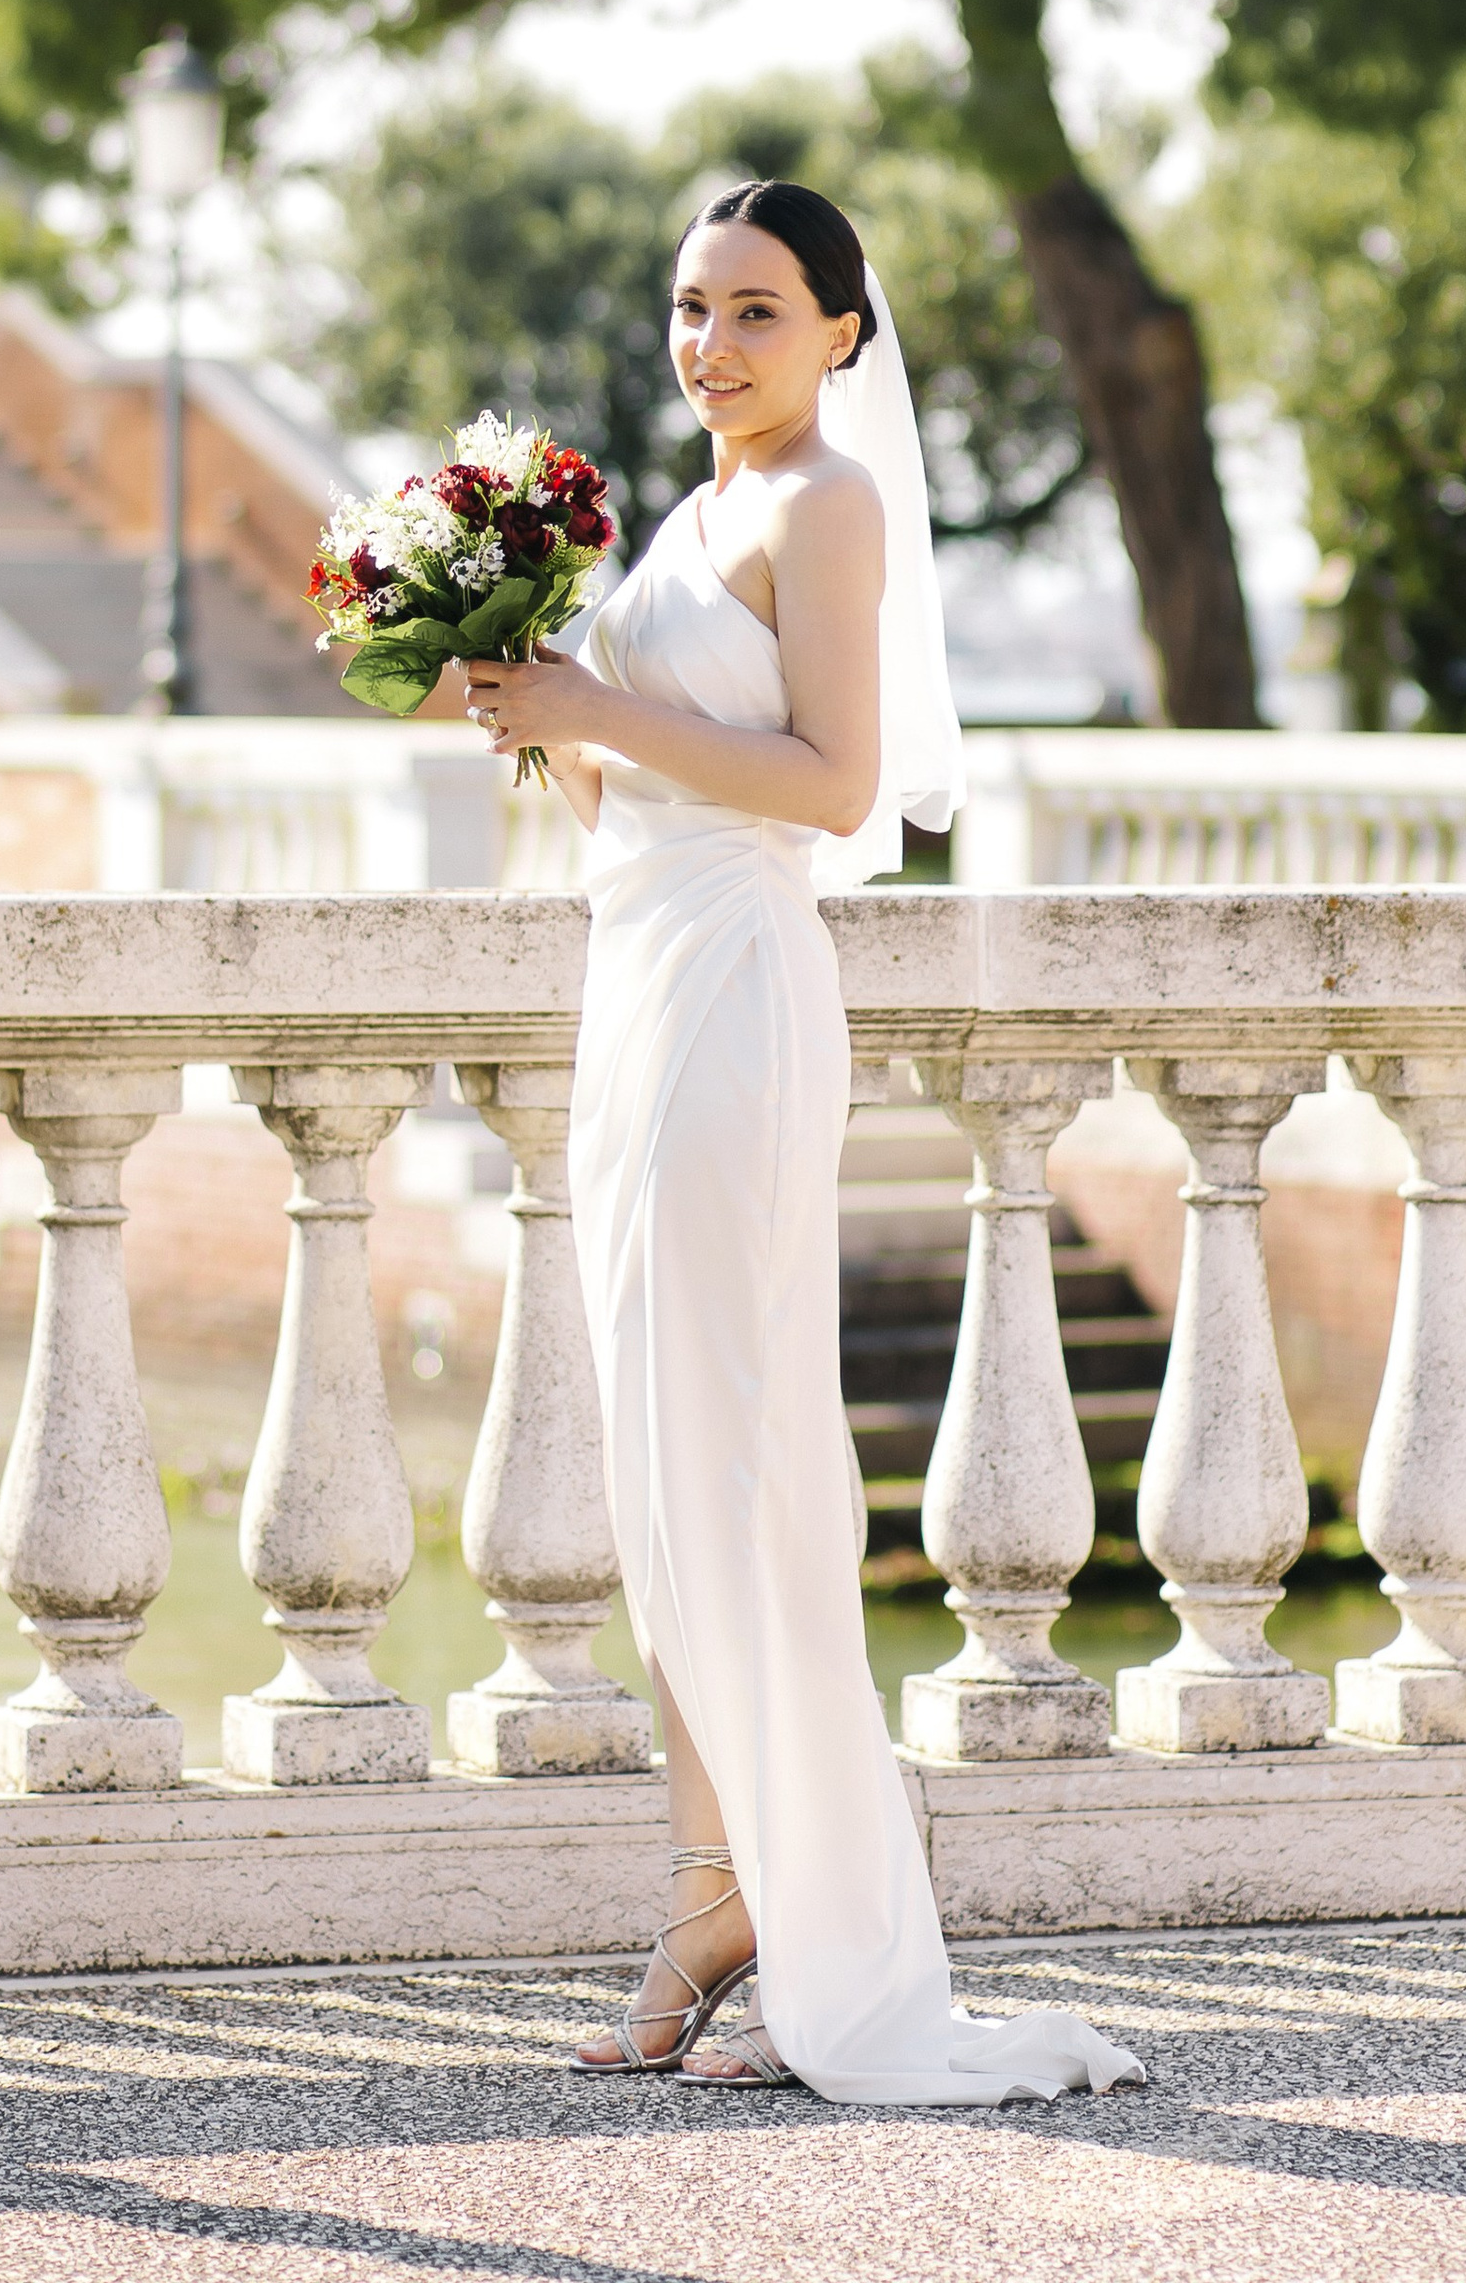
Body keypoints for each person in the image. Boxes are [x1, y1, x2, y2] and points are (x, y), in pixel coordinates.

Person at [458, 180, 1145, 2105]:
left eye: (757, 310)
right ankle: (721, 1881)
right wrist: (530, 708)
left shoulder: (823, 504)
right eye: (691, 307)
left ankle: (761, 1904)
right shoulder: (689, 512)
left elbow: (837, 786)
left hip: (739, 999)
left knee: (732, 1450)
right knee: (669, 1457)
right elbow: (640, 775)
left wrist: (599, 701)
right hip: (641, 978)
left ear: (844, 331)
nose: (713, 345)